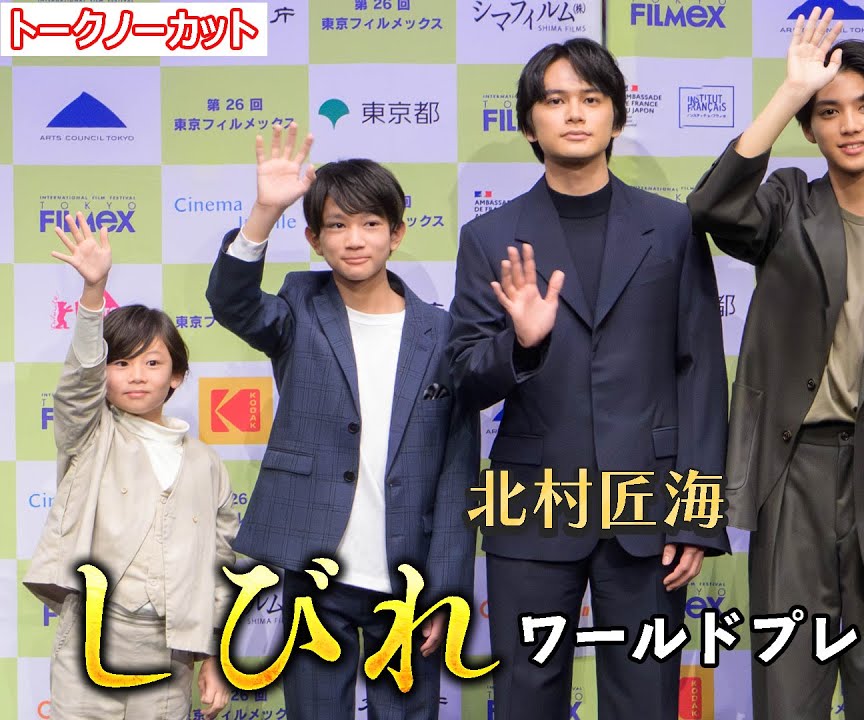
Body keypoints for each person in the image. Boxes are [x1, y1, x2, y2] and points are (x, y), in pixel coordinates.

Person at [686, 10, 864, 719]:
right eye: (828, 111)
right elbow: (710, 207)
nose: (850, 124)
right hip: (794, 477)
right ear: (810, 128)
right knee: (786, 696)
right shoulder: (787, 205)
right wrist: (789, 91)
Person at [448, 37, 729, 720]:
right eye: (555, 100)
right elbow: (464, 375)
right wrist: (520, 343)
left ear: (616, 118)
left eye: (591, 98)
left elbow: (699, 373)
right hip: (532, 504)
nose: (574, 114)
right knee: (525, 697)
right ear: (528, 123)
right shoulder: (490, 237)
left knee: (646, 700)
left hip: (649, 506)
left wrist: (696, 515)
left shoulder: (672, 228)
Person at [206, 124, 478, 719]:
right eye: (336, 225)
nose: (354, 240)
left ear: (397, 233)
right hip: (315, 566)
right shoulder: (299, 307)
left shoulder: (441, 333)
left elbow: (458, 471)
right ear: (314, 237)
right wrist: (263, 212)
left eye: (370, 223)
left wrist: (447, 589)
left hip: (408, 577)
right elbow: (231, 303)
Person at [25, 212, 235, 719]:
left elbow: (221, 566)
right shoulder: (90, 434)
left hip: (170, 652)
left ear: (177, 376)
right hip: (90, 642)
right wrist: (94, 292)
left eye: (152, 362)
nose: (137, 375)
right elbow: (78, 387)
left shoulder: (205, 464)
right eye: (121, 363)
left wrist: (213, 657)